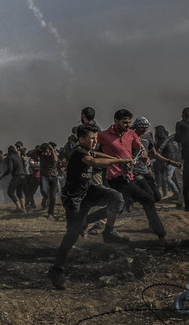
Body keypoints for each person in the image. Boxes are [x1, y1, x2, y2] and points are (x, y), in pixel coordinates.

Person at [47, 124, 133, 290]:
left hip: (87, 191)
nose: (95, 141)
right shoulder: (79, 152)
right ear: (81, 139)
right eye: (91, 138)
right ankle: (56, 270)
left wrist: (110, 155)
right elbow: (93, 161)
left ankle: (109, 231)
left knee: (117, 198)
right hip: (74, 199)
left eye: (96, 138)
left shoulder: (88, 150)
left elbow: (96, 154)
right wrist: (119, 160)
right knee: (72, 235)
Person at [98, 110, 169, 239]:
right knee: (148, 199)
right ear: (116, 121)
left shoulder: (131, 134)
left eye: (129, 122)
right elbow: (92, 151)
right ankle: (161, 234)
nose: (127, 125)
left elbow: (141, 149)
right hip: (115, 177)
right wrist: (112, 160)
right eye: (124, 122)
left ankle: (85, 221)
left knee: (117, 207)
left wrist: (144, 157)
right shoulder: (103, 135)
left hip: (128, 176)